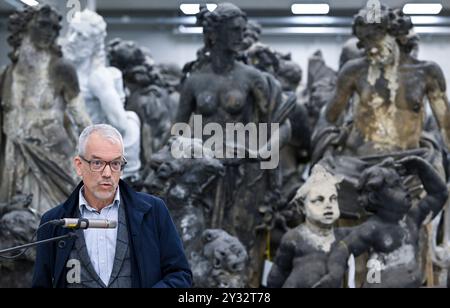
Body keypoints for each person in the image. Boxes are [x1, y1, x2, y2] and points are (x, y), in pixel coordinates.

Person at [32, 124, 192, 288]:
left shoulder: (154, 211)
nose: (107, 173)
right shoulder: (53, 222)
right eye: (97, 163)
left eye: (115, 164)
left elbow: (180, 276)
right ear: (79, 165)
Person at [0, 5, 92, 213]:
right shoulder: (7, 75)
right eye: (43, 24)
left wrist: (98, 153)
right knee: (18, 222)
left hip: (55, 157)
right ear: (24, 28)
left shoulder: (61, 69)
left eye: (54, 28)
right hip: (17, 158)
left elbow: (82, 119)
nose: (49, 31)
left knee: (57, 218)